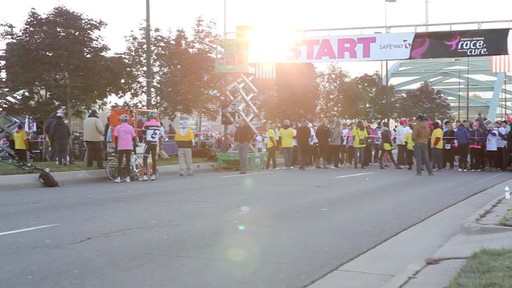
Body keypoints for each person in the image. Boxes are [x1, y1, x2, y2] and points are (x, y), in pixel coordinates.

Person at [112, 114, 136, 183]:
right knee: (128, 162)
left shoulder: (118, 127)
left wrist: (116, 146)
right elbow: (134, 137)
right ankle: (128, 177)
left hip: (121, 146)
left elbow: (116, 138)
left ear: (121, 120)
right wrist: (134, 147)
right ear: (127, 120)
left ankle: (119, 177)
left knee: (119, 163)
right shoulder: (131, 127)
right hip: (129, 146)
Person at [142, 111, 165, 180]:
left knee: (145, 158)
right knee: (154, 159)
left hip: (148, 143)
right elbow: (162, 134)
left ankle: (145, 175)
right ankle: (153, 175)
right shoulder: (159, 124)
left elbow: (143, 132)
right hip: (155, 143)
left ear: (150, 117)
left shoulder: (146, 124)